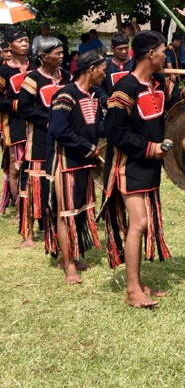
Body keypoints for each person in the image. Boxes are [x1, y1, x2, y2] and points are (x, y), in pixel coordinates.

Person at [100, 30, 185, 308]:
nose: (165, 55)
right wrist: (150, 148)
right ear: (149, 55)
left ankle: (139, 282)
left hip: (150, 165)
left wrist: (183, 94)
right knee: (140, 223)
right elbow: (115, 132)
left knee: (142, 225)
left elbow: (163, 109)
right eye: (162, 51)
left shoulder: (157, 82)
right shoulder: (124, 89)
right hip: (127, 164)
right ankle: (132, 290)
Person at [47, 50, 107, 283]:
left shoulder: (94, 95)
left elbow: (98, 126)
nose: (105, 73)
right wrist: (86, 147)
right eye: (102, 69)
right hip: (67, 164)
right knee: (66, 214)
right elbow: (58, 130)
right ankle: (68, 264)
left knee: (81, 211)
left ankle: (72, 255)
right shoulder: (66, 95)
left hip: (85, 162)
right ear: (91, 70)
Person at [18, 37, 67, 245]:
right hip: (39, 138)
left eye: (62, 52)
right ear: (44, 56)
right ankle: (28, 232)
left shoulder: (65, 76)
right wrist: (49, 122)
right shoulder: (32, 79)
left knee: (57, 184)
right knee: (33, 185)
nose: (61, 56)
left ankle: (54, 227)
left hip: (62, 139)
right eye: (57, 53)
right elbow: (25, 108)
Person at [0, 28, 31, 212]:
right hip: (14, 122)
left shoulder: (36, 65)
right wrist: (16, 105)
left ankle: (37, 203)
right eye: (20, 41)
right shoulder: (4, 70)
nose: (25, 44)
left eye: (27, 40)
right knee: (15, 165)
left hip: (36, 122)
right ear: (10, 45)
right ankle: (19, 209)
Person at [103, 32, 133, 99]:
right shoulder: (106, 67)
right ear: (112, 49)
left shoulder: (136, 63)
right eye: (120, 49)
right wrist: (106, 100)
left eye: (126, 48)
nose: (124, 51)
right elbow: (100, 87)